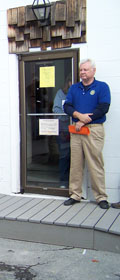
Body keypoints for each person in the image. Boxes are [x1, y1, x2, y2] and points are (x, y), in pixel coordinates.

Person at [63, 59, 110, 209]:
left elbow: (103, 107)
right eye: (81, 70)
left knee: (95, 164)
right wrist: (77, 114)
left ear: (93, 71)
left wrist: (83, 120)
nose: (83, 72)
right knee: (75, 164)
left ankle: (101, 197)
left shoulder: (102, 87)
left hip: (93, 129)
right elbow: (67, 106)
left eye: (86, 70)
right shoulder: (74, 88)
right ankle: (75, 194)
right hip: (76, 131)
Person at [52, 77, 72, 188]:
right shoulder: (61, 93)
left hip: (79, 129)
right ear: (67, 82)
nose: (72, 83)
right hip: (64, 129)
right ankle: (64, 181)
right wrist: (69, 116)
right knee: (64, 155)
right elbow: (56, 110)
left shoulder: (79, 92)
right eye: (70, 81)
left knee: (76, 157)